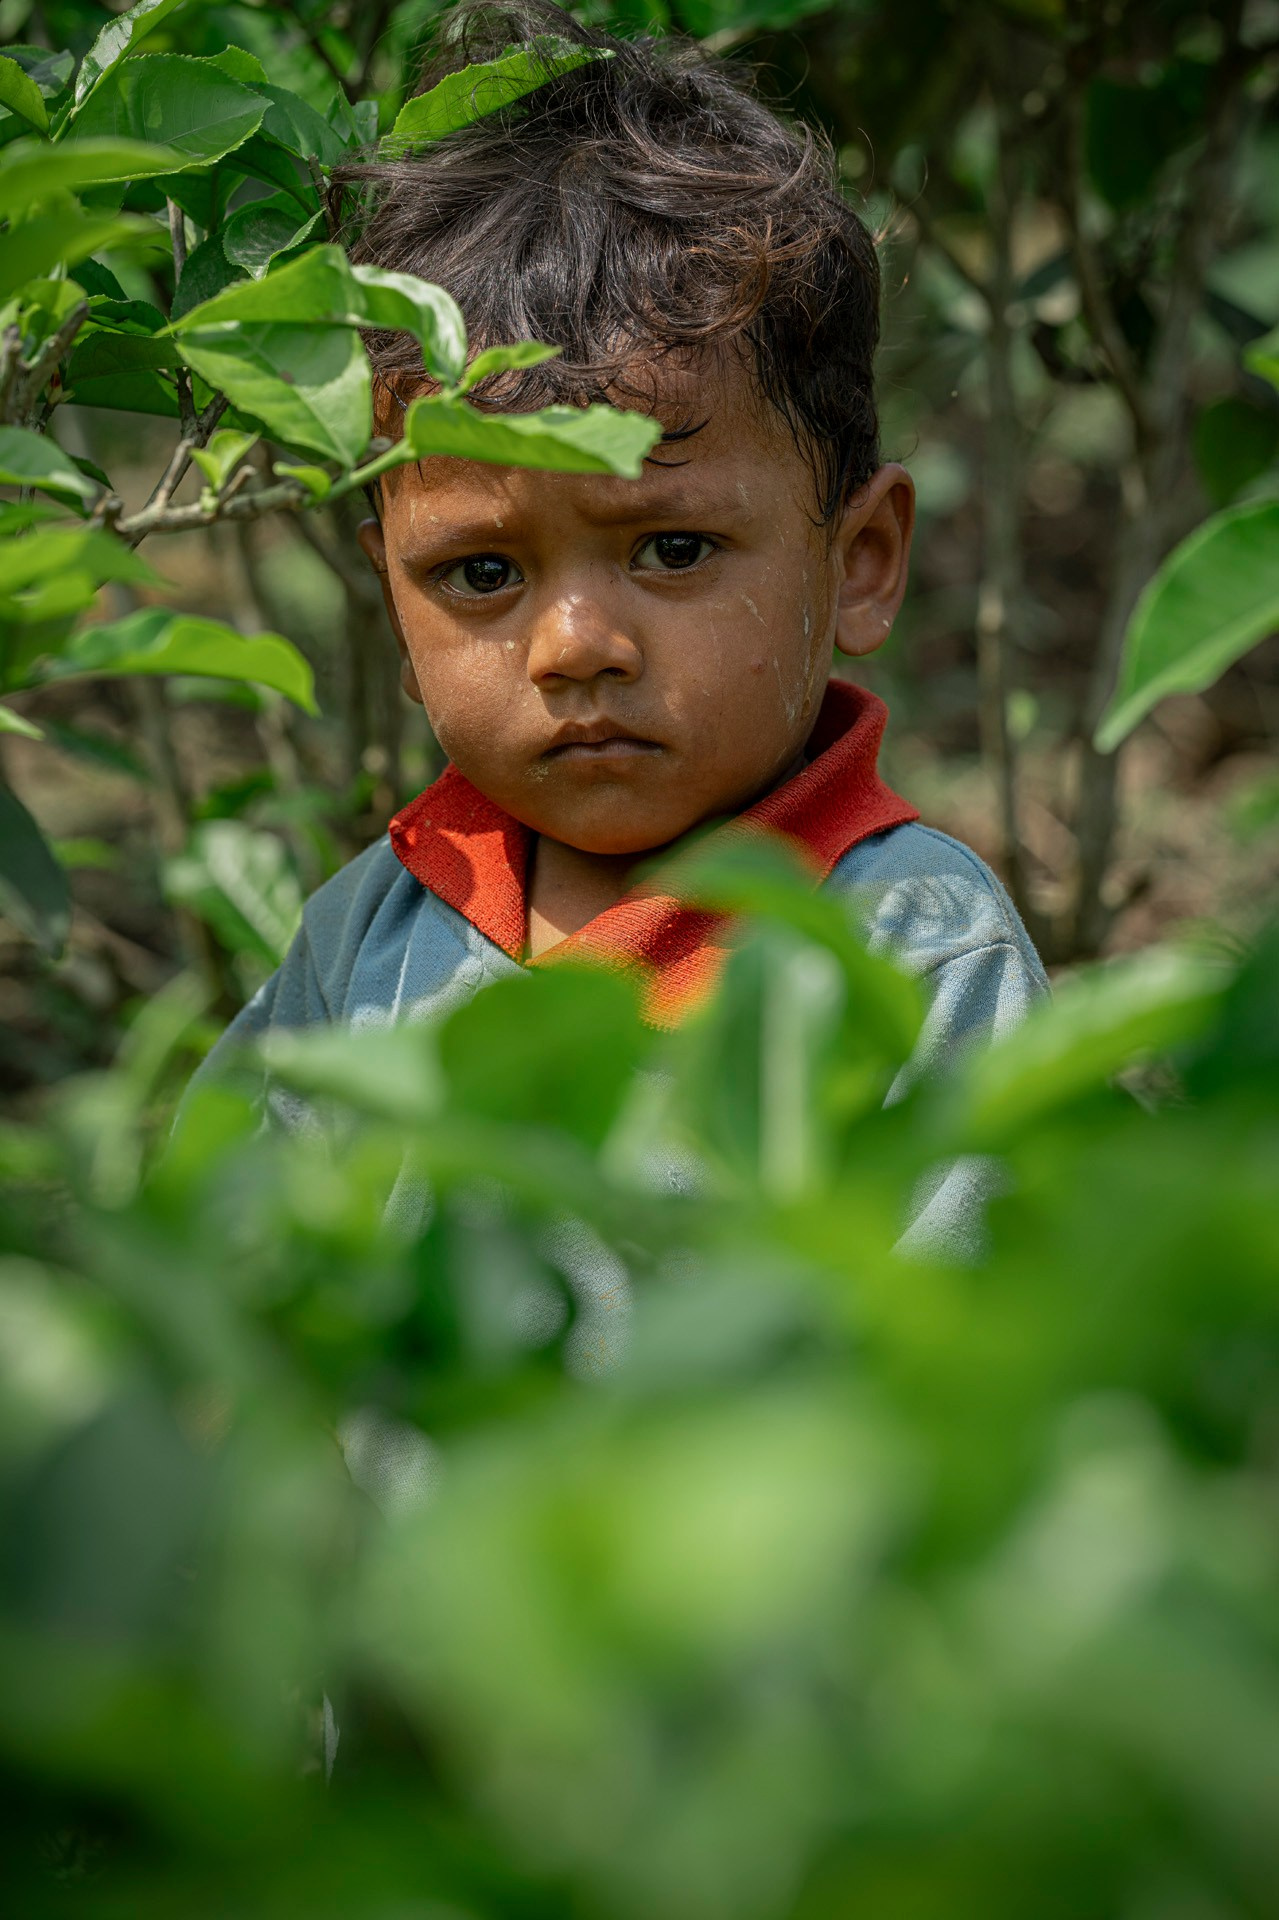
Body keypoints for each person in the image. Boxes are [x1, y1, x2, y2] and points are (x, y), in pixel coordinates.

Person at [196, 0, 1046, 1253]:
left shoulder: (913, 950)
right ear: (391, 596)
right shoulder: (369, 933)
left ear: (859, 561)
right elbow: (215, 1274)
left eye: (672, 550)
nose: (574, 646)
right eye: (481, 572)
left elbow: (975, 1339)